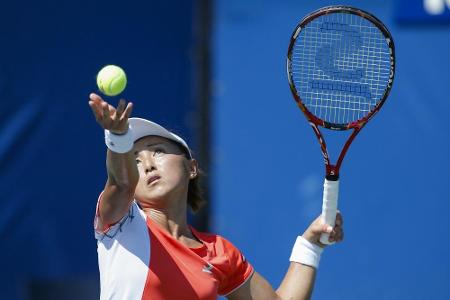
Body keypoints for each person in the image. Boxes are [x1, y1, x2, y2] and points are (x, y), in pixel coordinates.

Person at [88, 93, 344, 300]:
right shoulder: (121, 223)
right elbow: (121, 184)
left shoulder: (219, 252)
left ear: (191, 168)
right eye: (135, 161)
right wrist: (118, 137)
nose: (147, 165)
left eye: (158, 152)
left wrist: (311, 244)